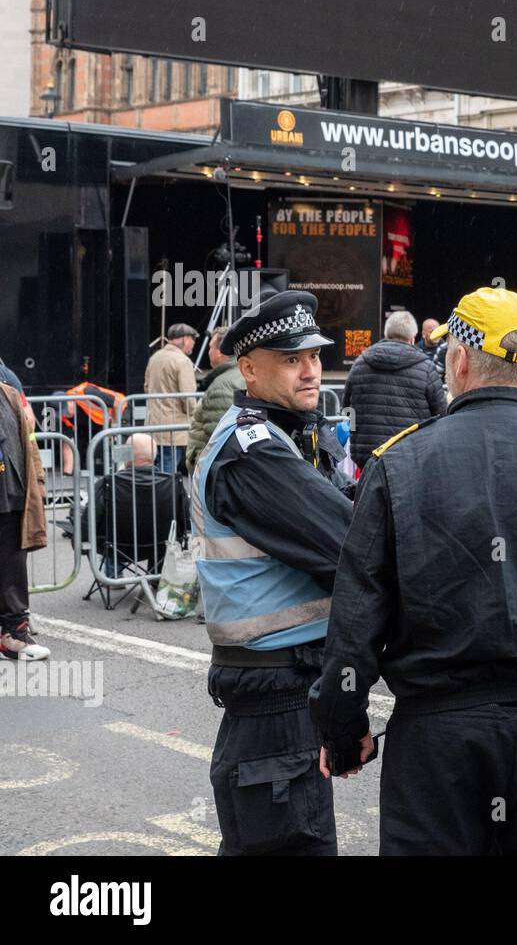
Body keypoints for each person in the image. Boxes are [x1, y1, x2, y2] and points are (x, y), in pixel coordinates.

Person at [311, 286, 517, 855]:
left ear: (457, 360)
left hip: (440, 740)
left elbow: (356, 618)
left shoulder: (400, 464)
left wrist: (342, 726)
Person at [193, 288, 352, 856]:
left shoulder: (289, 434)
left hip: (283, 691)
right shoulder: (252, 450)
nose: (311, 371)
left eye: (313, 356)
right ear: (248, 370)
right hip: (274, 696)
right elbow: (348, 547)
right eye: (291, 360)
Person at [342, 309, 447, 465]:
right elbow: (442, 414)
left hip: (368, 460)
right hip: (413, 458)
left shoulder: (360, 363)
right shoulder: (426, 368)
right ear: (412, 338)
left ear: (386, 334)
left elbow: (346, 409)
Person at [88, 433, 189, 580]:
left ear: (126, 454)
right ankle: (156, 577)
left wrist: (79, 537)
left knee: (110, 529)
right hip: (160, 544)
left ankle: (114, 575)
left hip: (117, 547)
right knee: (164, 529)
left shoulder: (109, 483)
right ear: (155, 455)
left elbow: (90, 519)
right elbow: (185, 519)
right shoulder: (172, 483)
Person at [0, 379, 49, 662]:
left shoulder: (8, 391)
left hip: (13, 492)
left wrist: (37, 484)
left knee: (12, 565)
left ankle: (14, 633)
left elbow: (28, 441)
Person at [185, 326, 245, 473]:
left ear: (221, 351)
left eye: (211, 347)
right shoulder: (241, 375)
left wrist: (200, 465)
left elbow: (218, 442)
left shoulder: (222, 386)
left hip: (216, 473)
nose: (208, 352)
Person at [144, 322, 199, 474]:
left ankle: (155, 497)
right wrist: (195, 415)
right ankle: (165, 498)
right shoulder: (182, 361)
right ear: (184, 339)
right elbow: (188, 398)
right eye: (192, 340)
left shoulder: (155, 357)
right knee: (168, 470)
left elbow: (146, 387)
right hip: (174, 429)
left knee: (155, 469)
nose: (193, 344)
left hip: (154, 425)